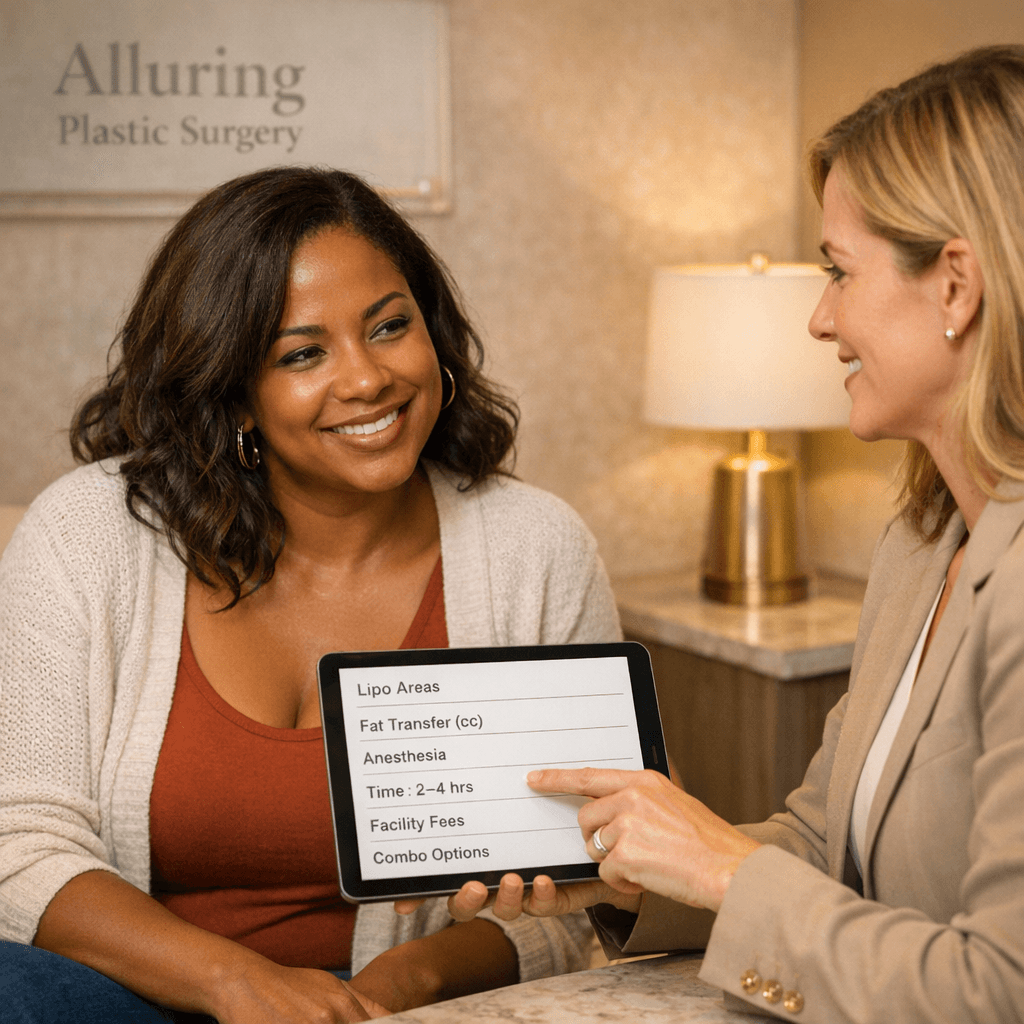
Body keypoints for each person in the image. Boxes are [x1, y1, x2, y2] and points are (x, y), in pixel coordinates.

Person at [443, 45, 1024, 1022]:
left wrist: (720, 865)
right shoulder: (924, 540)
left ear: (956, 285)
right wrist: (642, 871)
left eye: (838, 272)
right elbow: (820, 837)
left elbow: (999, 989)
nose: (817, 317)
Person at [0, 166, 621, 1022]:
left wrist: (400, 986)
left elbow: (576, 900)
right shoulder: (86, 535)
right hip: (133, 1000)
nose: (367, 380)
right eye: (302, 353)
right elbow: (18, 847)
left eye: (390, 327)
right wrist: (236, 984)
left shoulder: (537, 549)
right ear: (236, 392)